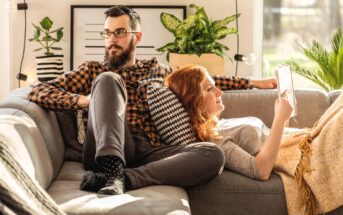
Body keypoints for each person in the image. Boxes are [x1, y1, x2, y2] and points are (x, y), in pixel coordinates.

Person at [27, 6, 277, 195]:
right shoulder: (93, 70)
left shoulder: (156, 69)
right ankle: (112, 169)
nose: (112, 39)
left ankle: (124, 179)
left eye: (120, 32)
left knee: (213, 154)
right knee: (108, 79)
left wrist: (253, 82)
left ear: (137, 37)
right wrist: (83, 100)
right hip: (108, 144)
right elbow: (37, 91)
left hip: (151, 150)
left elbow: (200, 81)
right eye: (107, 33)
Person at [165, 64, 343, 215]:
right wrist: (279, 119)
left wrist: (282, 115)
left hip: (304, 141)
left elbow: (274, 139)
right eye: (209, 89)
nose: (219, 92)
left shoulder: (223, 123)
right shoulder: (214, 140)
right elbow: (261, 170)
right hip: (303, 155)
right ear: (193, 99)